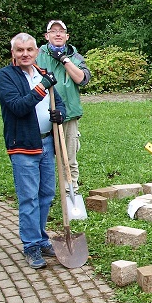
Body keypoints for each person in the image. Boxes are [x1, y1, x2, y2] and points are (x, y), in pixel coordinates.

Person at [0, 33, 67, 269]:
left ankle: (41, 237)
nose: (25, 54)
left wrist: (61, 114)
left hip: (48, 142)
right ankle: (31, 245)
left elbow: (59, 101)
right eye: (20, 50)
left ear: (36, 52)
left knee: (46, 195)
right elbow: (17, 107)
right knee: (29, 198)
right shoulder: (5, 76)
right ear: (13, 54)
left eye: (29, 50)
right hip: (23, 144)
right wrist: (41, 88)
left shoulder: (43, 73)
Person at [36, 20, 91, 189]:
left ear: (67, 36)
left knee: (69, 157)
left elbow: (82, 79)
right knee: (42, 155)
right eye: (53, 31)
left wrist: (64, 60)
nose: (57, 34)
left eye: (61, 31)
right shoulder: (38, 55)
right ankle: (43, 191)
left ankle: (70, 191)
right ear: (47, 36)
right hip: (42, 113)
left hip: (68, 114)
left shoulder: (75, 57)